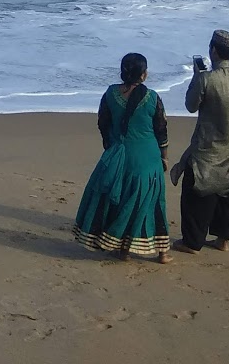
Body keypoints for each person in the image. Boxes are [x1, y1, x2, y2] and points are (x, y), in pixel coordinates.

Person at [72, 52, 172, 263]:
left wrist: (111, 147)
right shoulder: (152, 97)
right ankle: (162, 252)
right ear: (144, 75)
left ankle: (122, 249)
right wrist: (164, 157)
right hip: (147, 159)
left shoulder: (110, 94)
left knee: (119, 202)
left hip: (119, 155)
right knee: (153, 204)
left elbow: (103, 123)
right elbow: (161, 129)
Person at [172, 29, 229, 252]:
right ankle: (223, 240)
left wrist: (196, 76)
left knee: (197, 190)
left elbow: (191, 106)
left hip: (207, 143)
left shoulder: (206, 79)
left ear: (213, 50)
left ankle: (192, 241)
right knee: (228, 188)